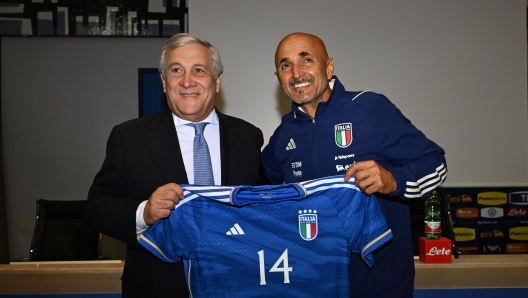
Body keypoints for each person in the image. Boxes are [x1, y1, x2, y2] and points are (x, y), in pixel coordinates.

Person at [262, 32, 447, 297]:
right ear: (278, 77)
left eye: (306, 60)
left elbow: (436, 162)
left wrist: (394, 180)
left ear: (328, 67)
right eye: (285, 65)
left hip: (381, 284)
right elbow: (254, 188)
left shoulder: (369, 108)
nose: (296, 72)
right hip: (313, 283)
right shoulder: (284, 133)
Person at [83, 33, 267, 297]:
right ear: (163, 82)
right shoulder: (129, 138)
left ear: (217, 81)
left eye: (199, 70)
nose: (187, 81)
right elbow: (95, 208)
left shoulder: (248, 137)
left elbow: (264, 206)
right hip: (157, 288)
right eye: (176, 70)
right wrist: (143, 212)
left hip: (235, 285)